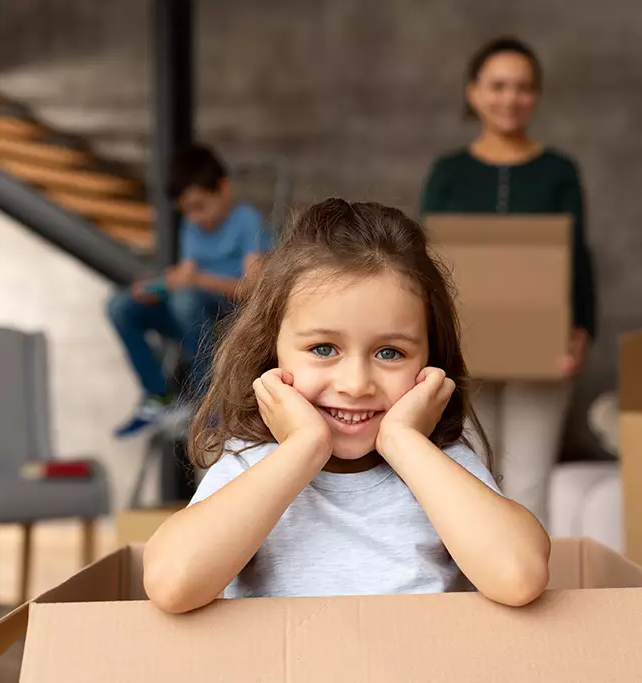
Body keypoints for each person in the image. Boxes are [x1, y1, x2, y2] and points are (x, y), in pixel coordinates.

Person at [142, 199, 551, 614]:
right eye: (323, 348)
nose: (355, 385)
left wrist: (404, 442)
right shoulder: (250, 465)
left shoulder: (439, 464)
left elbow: (519, 576)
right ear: (272, 352)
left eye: (390, 353)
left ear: (430, 364)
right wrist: (304, 447)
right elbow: (172, 584)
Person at [420, 37, 597, 527]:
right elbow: (428, 257)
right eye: (498, 86)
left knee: (528, 482)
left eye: (523, 88)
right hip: (464, 344)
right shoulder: (449, 173)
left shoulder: (558, 171)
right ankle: (473, 594)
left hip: (541, 348)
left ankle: (530, 591)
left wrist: (581, 328)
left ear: (536, 96)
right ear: (474, 93)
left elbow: (577, 253)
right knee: (470, 474)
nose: (510, 98)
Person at [107, 144, 270, 438]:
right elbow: (187, 275)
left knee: (185, 301)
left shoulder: (246, 220)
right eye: (187, 210)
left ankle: (207, 401)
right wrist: (161, 286)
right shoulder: (191, 229)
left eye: (200, 206)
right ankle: (159, 398)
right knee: (121, 304)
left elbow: (254, 290)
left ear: (223, 188)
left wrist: (196, 281)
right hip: (193, 316)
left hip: (232, 318)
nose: (195, 217)